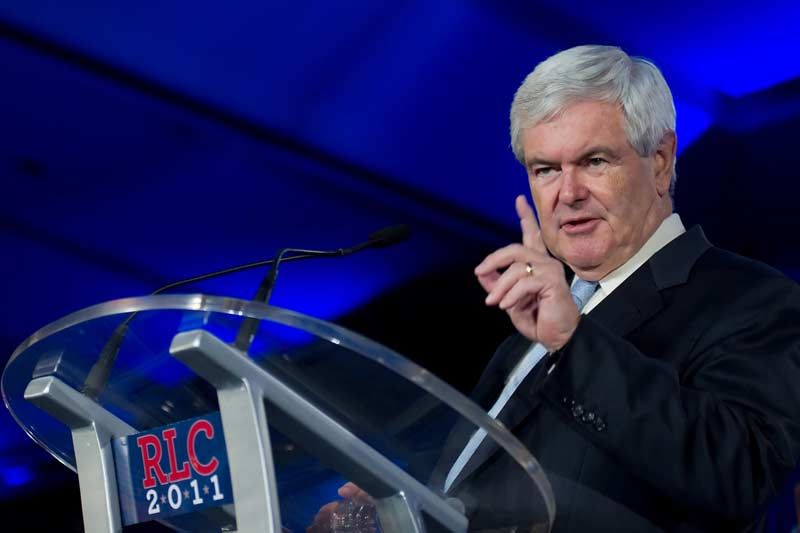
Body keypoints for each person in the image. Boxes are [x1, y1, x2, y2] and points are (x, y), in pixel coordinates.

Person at [431, 45, 800, 532]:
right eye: (545, 169)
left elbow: (741, 475)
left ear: (662, 161)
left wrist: (573, 344)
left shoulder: (754, 300)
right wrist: (402, 509)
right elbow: (476, 495)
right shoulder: (525, 334)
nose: (568, 192)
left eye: (595, 161)